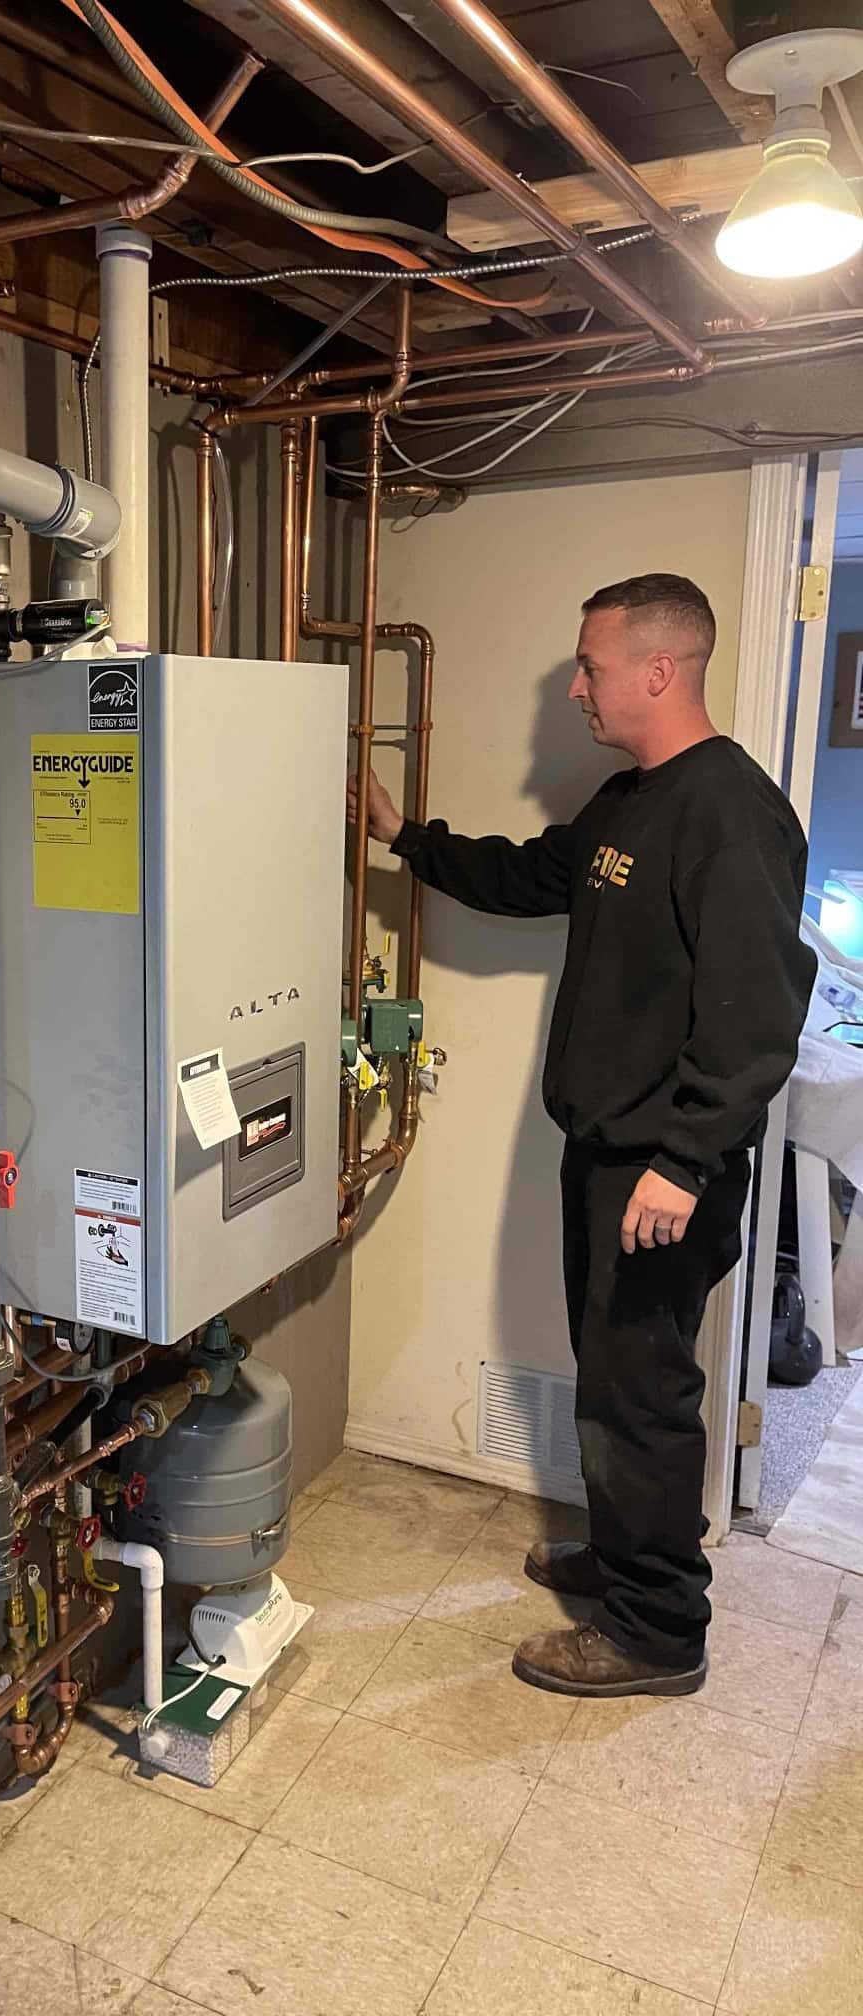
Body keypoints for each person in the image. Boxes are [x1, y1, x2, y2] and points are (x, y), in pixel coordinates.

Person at [356, 574, 815, 1698]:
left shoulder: (732, 814)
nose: (577, 688)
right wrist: (405, 837)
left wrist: (685, 1159)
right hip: (607, 1156)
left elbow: (758, 1017)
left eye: (592, 667)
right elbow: (533, 875)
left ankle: (659, 1633)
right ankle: (622, 1560)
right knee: (611, 1383)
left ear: (658, 670)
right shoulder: (630, 800)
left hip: (664, 1170)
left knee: (642, 1394)